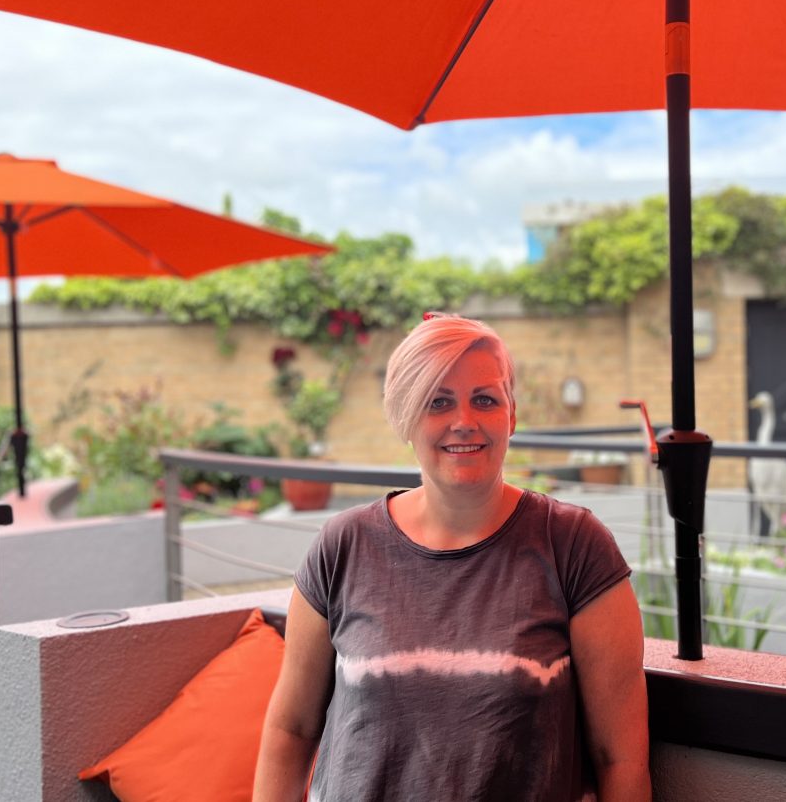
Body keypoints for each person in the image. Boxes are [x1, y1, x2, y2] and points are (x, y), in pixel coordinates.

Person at [254, 313, 650, 801]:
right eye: (438, 402)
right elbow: (291, 728)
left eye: (484, 399)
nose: (464, 422)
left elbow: (622, 760)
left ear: (511, 415)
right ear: (405, 416)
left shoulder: (573, 545)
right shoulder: (343, 545)